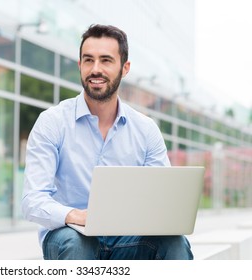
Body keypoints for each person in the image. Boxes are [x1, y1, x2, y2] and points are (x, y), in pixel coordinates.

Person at [21, 24, 193, 260]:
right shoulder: (52, 122)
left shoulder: (145, 129)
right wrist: (76, 215)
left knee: (174, 242)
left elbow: (160, 202)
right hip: (70, 236)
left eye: (106, 60)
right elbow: (33, 200)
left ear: (125, 68)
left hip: (127, 240)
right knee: (75, 242)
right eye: (88, 60)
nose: (96, 69)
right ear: (80, 65)